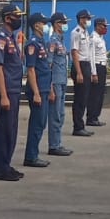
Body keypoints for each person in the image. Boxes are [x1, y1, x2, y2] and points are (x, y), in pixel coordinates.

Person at [0, 3, 26, 181]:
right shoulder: (0, 38)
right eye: (16, 16)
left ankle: (6, 164)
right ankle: (0, 169)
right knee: (4, 131)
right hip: (6, 91)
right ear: (7, 18)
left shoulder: (11, 38)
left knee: (11, 130)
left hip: (14, 89)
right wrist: (3, 95)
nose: (19, 19)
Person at [22, 12, 52, 169]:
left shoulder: (42, 42)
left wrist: (50, 89)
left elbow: (46, 67)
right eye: (43, 23)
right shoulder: (32, 44)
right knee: (36, 124)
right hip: (38, 89)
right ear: (36, 25)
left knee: (41, 123)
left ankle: (34, 154)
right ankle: (31, 156)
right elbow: (31, 70)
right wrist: (36, 93)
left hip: (44, 87)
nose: (46, 26)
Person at [46, 12, 73, 158]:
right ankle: (53, 145)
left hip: (62, 80)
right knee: (55, 114)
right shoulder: (52, 41)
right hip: (55, 82)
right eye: (63, 22)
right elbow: (48, 65)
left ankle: (57, 142)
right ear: (57, 24)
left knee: (61, 114)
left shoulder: (61, 41)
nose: (65, 25)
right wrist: (50, 87)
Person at [70, 9, 95, 137]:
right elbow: (74, 52)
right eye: (87, 18)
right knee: (80, 98)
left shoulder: (86, 32)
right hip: (79, 65)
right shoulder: (76, 32)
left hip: (86, 65)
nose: (88, 21)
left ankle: (81, 125)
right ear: (81, 19)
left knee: (85, 97)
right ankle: (78, 127)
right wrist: (79, 72)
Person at [86, 16, 110, 126]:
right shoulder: (93, 38)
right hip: (97, 67)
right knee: (94, 94)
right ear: (97, 26)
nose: (105, 28)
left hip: (102, 67)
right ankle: (91, 117)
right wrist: (94, 73)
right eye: (104, 26)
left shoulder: (101, 38)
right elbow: (91, 56)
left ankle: (96, 116)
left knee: (100, 94)